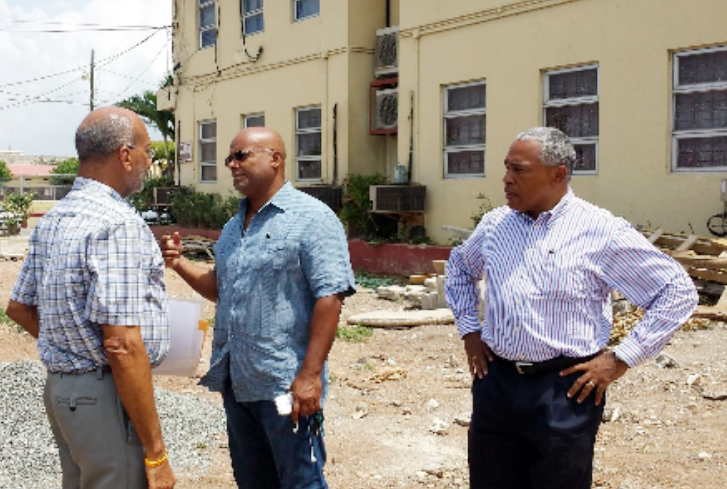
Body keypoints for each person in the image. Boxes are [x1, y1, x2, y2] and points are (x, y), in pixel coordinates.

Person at [445, 127, 698, 489]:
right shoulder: (495, 225)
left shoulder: (600, 231)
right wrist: (470, 330)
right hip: (496, 385)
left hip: (564, 391)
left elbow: (677, 291)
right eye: (506, 168)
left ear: (558, 174)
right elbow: (458, 268)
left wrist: (620, 358)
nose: (506, 179)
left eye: (519, 170)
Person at [159, 127, 355, 489]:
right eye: (229, 158)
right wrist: (180, 264)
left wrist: (310, 376)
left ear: (276, 158)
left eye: (241, 156)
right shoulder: (234, 227)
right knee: (253, 480)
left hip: (286, 387)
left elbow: (330, 297)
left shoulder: (313, 219)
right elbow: (221, 288)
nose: (232, 164)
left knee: (300, 480)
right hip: (239, 384)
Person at [7, 107, 175, 489]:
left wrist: (72, 351)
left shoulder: (56, 217)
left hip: (66, 393)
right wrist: (156, 451)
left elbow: (20, 307)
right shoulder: (118, 223)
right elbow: (121, 343)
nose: (149, 162)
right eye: (147, 151)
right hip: (104, 394)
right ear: (125, 154)